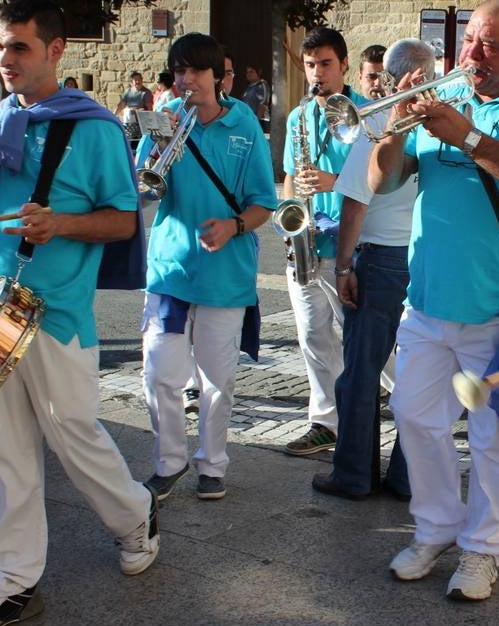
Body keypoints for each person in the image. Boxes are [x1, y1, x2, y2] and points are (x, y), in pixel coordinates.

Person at [0, 0, 159, 626]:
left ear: (56, 50)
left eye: (19, 47)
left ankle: (135, 516)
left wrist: (60, 224)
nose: (4, 59)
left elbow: (121, 220)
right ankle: (11, 584)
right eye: (0, 45)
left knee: (75, 438)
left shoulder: (95, 129)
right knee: (7, 456)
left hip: (54, 316)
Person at [368, 0, 499, 600]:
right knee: (414, 417)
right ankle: (435, 527)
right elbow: (379, 181)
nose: (473, 55)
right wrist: (396, 126)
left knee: (493, 438)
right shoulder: (447, 99)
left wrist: (469, 138)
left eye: (489, 46)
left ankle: (483, 548)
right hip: (429, 300)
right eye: (469, 43)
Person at [138, 33, 277, 502]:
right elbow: (144, 190)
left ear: (218, 76)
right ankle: (168, 462)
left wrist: (234, 226)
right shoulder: (165, 120)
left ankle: (213, 463)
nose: (186, 80)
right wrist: (156, 158)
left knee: (217, 381)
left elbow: (264, 203)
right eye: (179, 71)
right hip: (170, 271)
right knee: (160, 375)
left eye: (196, 71)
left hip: (225, 274)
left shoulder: (245, 126)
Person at [311, 40, 428, 502]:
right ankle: (406, 476)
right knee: (416, 373)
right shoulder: (441, 122)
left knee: (360, 371)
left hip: (380, 257)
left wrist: (343, 267)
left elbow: (355, 199)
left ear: (387, 77)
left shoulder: (377, 119)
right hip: (424, 256)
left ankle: (354, 473)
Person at [279, 27, 366, 458]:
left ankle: (411, 400)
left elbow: (382, 180)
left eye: (326, 64)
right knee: (313, 336)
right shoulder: (298, 118)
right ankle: (324, 421)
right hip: (307, 242)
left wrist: (336, 181)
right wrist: (289, 223)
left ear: (344, 65)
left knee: (365, 341)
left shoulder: (366, 112)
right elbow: (290, 178)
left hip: (349, 243)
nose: (317, 73)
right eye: (311, 65)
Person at [240, 65, 269, 131]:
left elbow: (263, 105)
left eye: (251, 72)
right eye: (247, 72)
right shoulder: (249, 88)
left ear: (258, 73)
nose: (248, 74)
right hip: (249, 122)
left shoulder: (262, 84)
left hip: (259, 123)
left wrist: (256, 122)